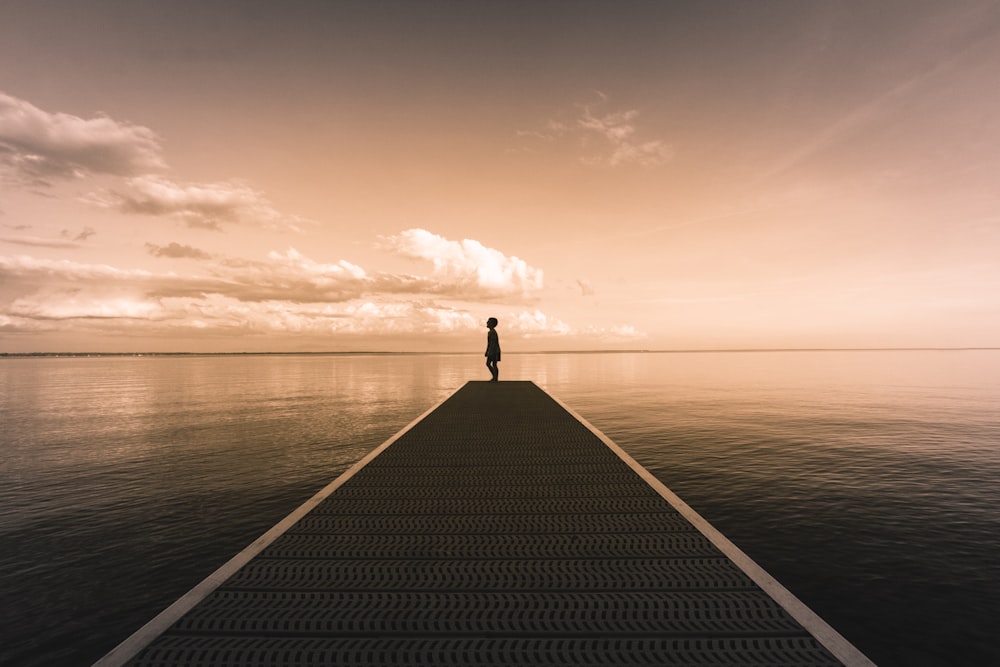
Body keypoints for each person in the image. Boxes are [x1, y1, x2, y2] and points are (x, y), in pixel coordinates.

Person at [485, 317, 500, 382]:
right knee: (492, 364)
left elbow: (493, 343)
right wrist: (487, 351)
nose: (487, 322)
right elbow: (489, 343)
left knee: (490, 364)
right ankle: (495, 377)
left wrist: (490, 352)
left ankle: (495, 377)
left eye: (488, 322)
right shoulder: (490, 332)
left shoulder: (492, 332)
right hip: (493, 350)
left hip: (494, 351)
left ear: (492, 324)